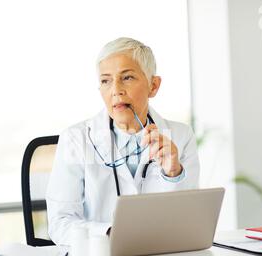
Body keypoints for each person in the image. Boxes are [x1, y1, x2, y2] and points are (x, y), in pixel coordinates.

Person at [46, 37, 199, 245]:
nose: (116, 90)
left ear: (153, 86)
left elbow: (189, 221)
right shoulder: (76, 139)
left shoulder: (181, 136)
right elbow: (60, 223)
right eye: (105, 81)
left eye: (127, 77)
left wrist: (174, 174)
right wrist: (113, 233)